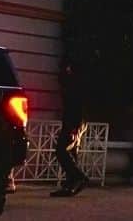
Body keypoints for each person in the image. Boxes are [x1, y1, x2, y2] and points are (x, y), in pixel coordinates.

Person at [50, 60, 88, 197]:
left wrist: (75, 127)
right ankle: (70, 184)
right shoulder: (73, 83)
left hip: (74, 121)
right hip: (74, 121)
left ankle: (77, 177)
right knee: (70, 151)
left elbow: (77, 105)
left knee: (61, 150)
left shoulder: (75, 84)